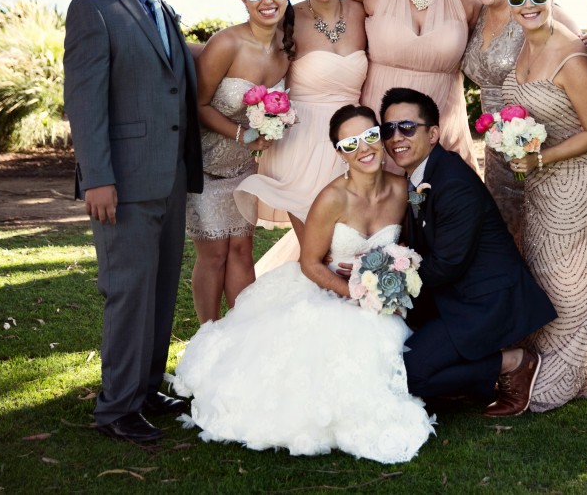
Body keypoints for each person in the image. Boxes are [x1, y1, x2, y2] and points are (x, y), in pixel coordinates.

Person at [169, 105, 435, 464]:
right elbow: (310, 263)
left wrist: (393, 275)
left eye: (371, 136)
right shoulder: (332, 198)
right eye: (351, 143)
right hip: (328, 290)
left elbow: (411, 243)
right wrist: (354, 292)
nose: (365, 148)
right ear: (340, 152)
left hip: (380, 294)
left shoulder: (404, 190)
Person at [63, 0, 204, 443]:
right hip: (119, 181)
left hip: (168, 177)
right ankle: (116, 408)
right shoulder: (93, 8)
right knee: (127, 291)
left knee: (161, 287)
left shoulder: (165, 11)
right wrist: (97, 176)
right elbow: (85, 101)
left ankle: (145, 389)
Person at [380, 87, 558, 417]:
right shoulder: (422, 174)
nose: (395, 137)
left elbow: (447, 265)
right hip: (451, 297)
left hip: (484, 301)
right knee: (387, 359)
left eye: (407, 127)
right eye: (387, 129)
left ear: (433, 134)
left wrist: (387, 286)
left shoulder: (453, 182)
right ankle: (452, 371)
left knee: (406, 376)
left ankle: (513, 362)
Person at [498, 0, 587, 413]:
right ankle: (531, 362)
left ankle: (564, 378)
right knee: (546, 281)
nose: (527, 5)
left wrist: (539, 156)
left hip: (583, 182)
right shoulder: (523, 46)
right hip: (541, 185)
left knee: (571, 289)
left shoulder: (572, 56)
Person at [235, 0, 368, 245]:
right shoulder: (286, 18)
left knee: (351, 247)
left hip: (351, 142)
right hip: (302, 147)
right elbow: (251, 60)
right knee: (317, 250)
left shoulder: (362, 13)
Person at [185, 0, 294, 323]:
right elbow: (197, 104)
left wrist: (272, 128)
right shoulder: (226, 43)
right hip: (208, 164)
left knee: (242, 250)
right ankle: (207, 335)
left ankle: (239, 338)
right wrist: (241, 134)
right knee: (214, 254)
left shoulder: (287, 45)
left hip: (247, 167)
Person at [461, 0, 584, 252]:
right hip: (495, 146)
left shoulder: (532, 9)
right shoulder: (478, 15)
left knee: (541, 238)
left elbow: (578, 48)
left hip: (537, 138)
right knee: (505, 235)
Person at [348, 0, 480, 174]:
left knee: (447, 210)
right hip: (381, 124)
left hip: (443, 125)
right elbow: (341, 27)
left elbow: (504, 15)